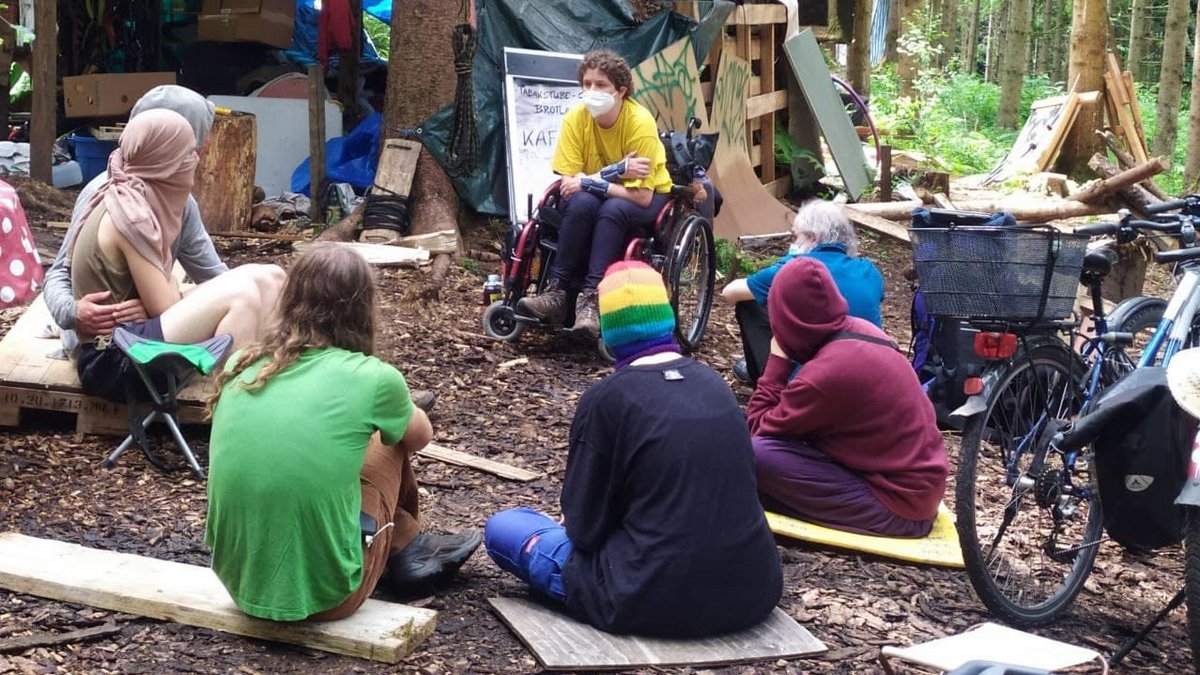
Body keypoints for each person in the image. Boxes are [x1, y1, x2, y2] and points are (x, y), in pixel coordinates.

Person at [44, 85, 435, 410]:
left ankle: (340, 378)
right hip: (114, 343)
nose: (201, 155)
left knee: (267, 282)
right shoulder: (120, 201)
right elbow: (63, 272)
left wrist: (262, 300)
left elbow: (213, 278)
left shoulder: (166, 199)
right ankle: (288, 399)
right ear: (163, 152)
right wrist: (74, 313)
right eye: (193, 148)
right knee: (249, 287)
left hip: (146, 330)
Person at [485, 261, 782, 637]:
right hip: (752, 590)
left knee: (505, 527)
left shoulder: (606, 400)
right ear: (668, 317)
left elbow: (585, 530)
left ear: (610, 332)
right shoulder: (715, 385)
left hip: (640, 597)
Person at [205, 244, 481, 622]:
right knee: (391, 444)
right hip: (331, 595)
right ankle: (409, 548)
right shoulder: (373, 378)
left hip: (238, 585)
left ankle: (405, 544)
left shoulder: (242, 362)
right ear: (362, 308)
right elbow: (420, 437)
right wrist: (400, 408)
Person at [64, 109, 284, 402]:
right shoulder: (129, 215)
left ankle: (269, 385)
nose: (196, 160)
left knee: (270, 276)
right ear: (166, 163)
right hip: (114, 359)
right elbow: (164, 304)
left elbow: (163, 295)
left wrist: (167, 291)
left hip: (136, 339)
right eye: (188, 153)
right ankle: (238, 406)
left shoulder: (135, 194)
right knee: (243, 295)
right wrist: (168, 291)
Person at [746, 257, 948, 538]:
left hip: (899, 508)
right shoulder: (861, 329)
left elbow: (756, 429)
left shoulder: (827, 374)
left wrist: (777, 360)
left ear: (786, 317)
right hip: (916, 489)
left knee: (755, 457)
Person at [516, 50, 676, 339]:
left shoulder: (639, 123)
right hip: (603, 193)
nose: (591, 91)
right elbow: (568, 184)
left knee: (611, 208)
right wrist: (616, 171)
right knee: (579, 203)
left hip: (645, 197)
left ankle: (592, 299)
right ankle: (558, 292)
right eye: (587, 84)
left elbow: (641, 197)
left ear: (621, 91)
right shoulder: (576, 118)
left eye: (600, 85)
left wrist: (591, 182)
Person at [721, 199, 884, 386]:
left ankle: (768, 378)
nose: (795, 242)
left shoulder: (794, 268)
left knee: (748, 302)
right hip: (873, 371)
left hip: (815, 379)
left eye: (796, 236)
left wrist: (787, 260)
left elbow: (729, 293)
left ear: (813, 238)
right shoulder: (869, 270)